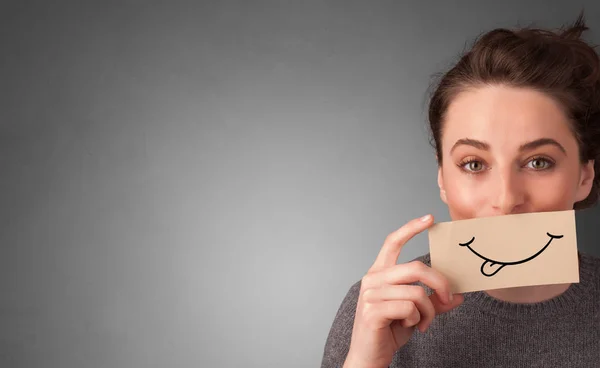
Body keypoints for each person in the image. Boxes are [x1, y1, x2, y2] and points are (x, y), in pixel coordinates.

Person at [321, 12, 600, 368]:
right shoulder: (376, 310)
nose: (505, 199)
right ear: (442, 178)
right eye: (474, 164)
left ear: (584, 177)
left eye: (539, 162)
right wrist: (366, 360)